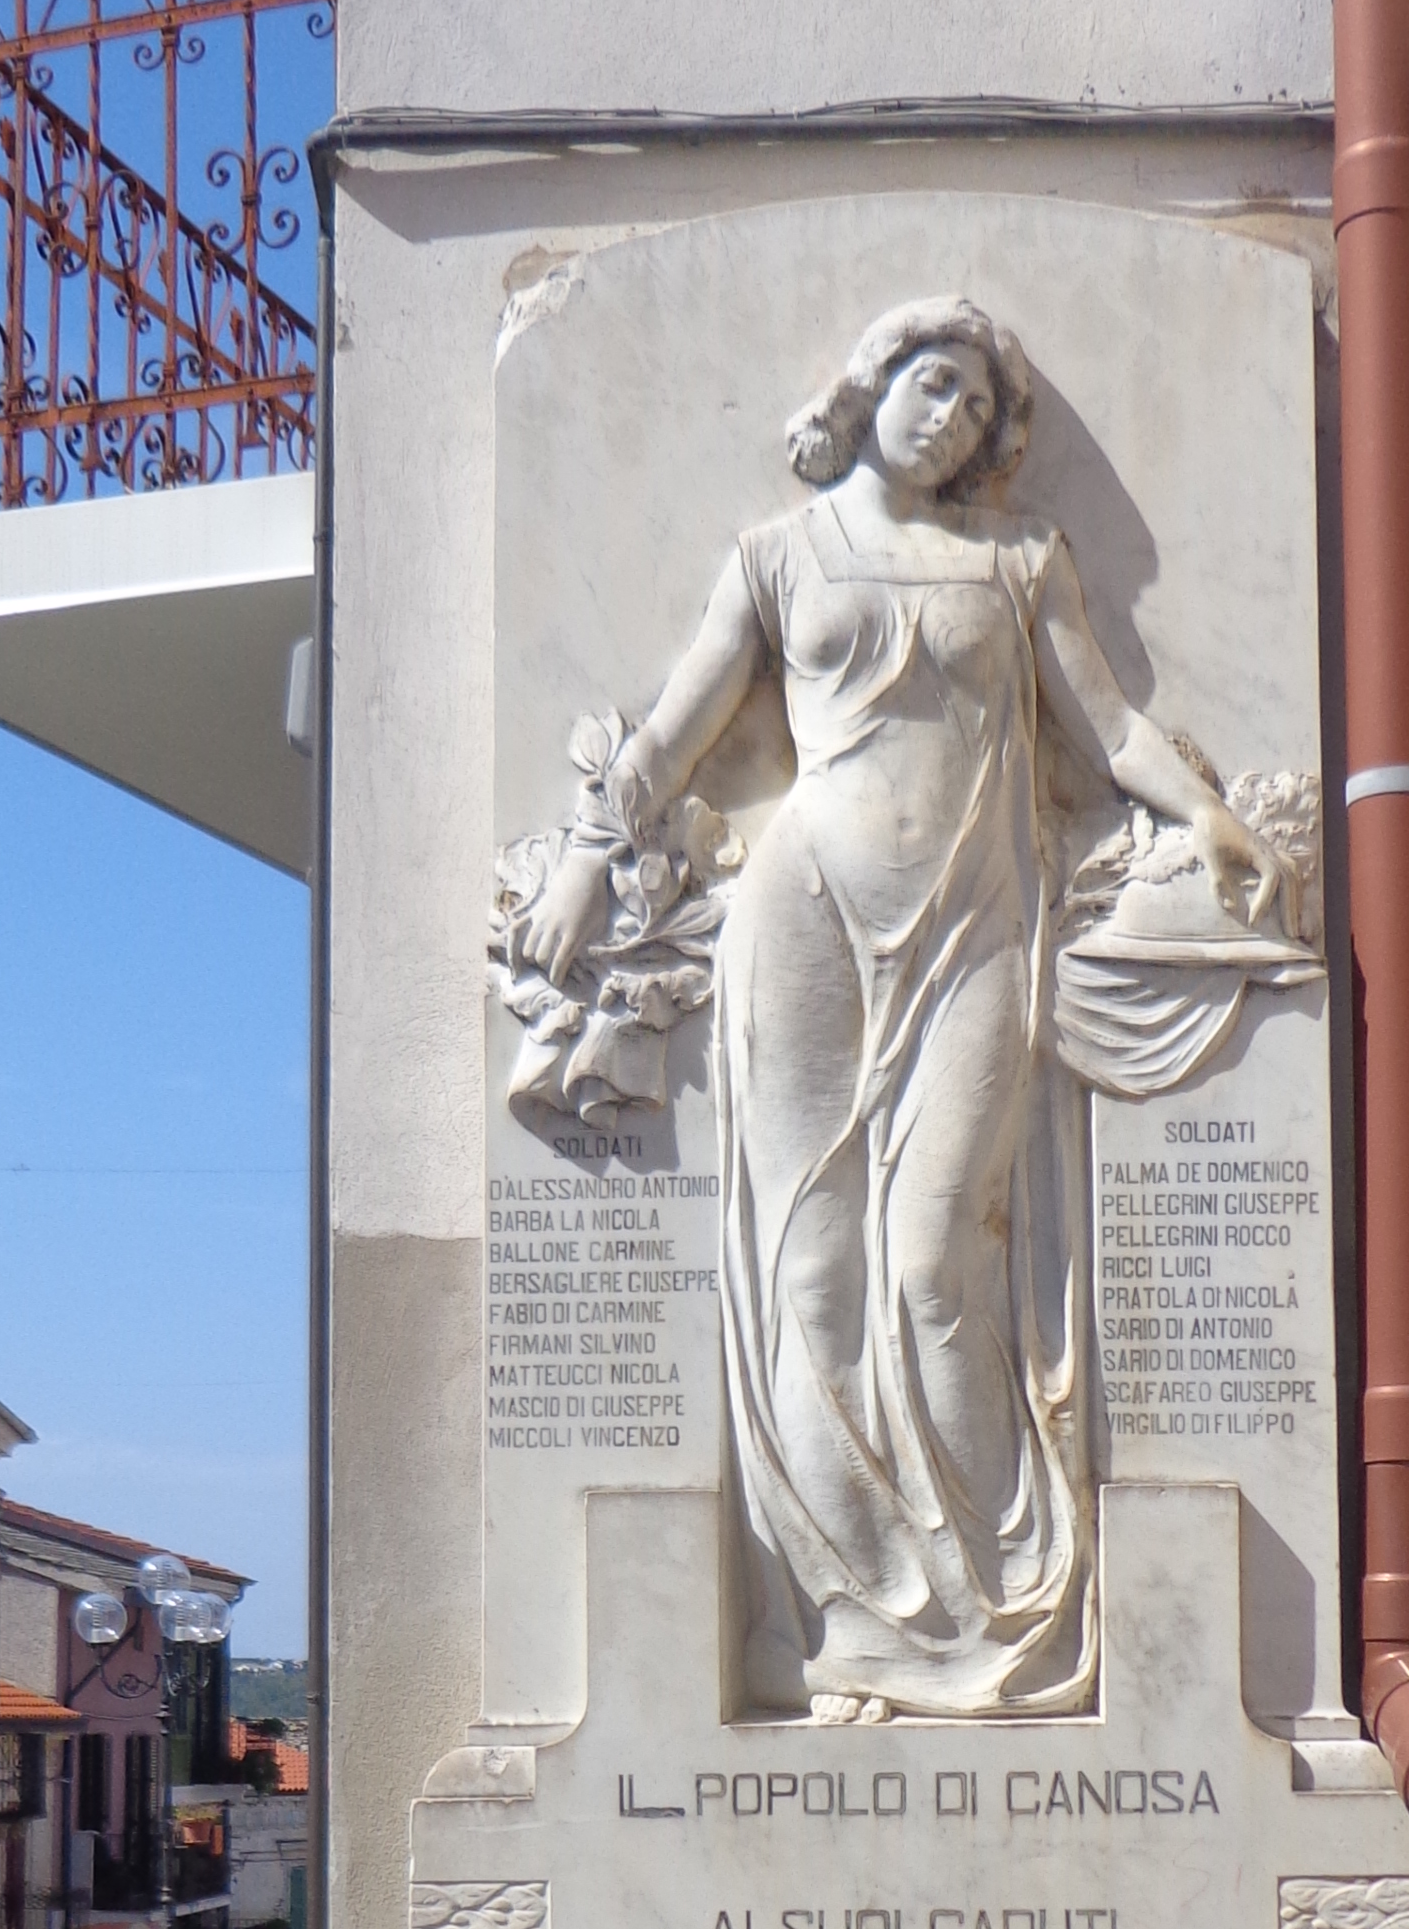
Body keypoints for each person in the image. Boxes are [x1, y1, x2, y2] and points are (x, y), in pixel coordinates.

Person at [521, 298, 1283, 1714]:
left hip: (978, 932)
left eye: (982, 411)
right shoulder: (775, 557)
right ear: (872, 387)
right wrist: (581, 867)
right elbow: (674, 736)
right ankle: (851, 1605)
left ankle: (982, 1613)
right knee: (812, 1274)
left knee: (939, 1260)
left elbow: (1108, 728)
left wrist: (1213, 815)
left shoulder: (1017, 561)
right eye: (935, 387)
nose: (955, 422)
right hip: (805, 916)